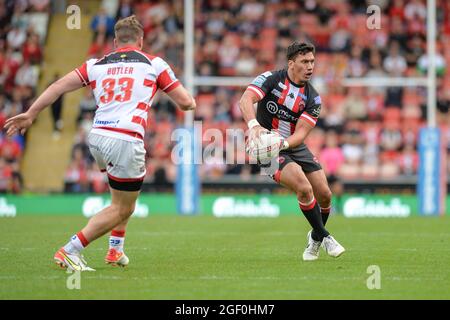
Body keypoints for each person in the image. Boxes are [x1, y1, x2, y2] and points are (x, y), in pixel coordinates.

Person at [4, 15, 196, 271]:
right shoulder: (154, 63)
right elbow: (185, 103)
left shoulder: (95, 65)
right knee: (122, 207)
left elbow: (58, 86)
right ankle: (70, 250)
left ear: (115, 42)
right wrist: (190, 100)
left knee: (120, 199)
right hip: (125, 139)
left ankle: (115, 249)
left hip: (97, 138)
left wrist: (31, 113)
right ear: (140, 41)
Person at [239, 41, 345, 261]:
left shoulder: (313, 97)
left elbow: (302, 133)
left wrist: (284, 144)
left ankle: (315, 239)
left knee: (325, 194)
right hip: (267, 149)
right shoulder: (270, 79)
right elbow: (246, 99)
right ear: (291, 63)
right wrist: (254, 126)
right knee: (304, 189)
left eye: (312, 61)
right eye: (305, 61)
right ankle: (326, 237)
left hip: (292, 145)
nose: (310, 66)